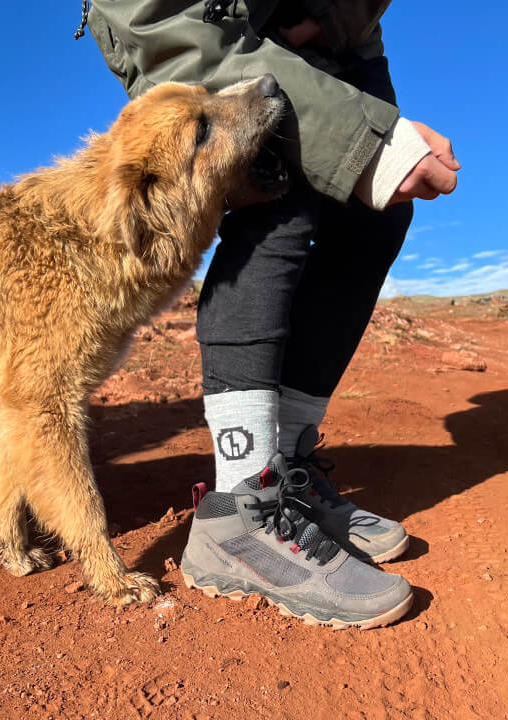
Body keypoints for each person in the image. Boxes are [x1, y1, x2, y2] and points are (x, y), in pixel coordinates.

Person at [84, 0, 459, 627]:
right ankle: (241, 508)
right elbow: (166, 27)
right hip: (202, 33)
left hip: (342, 44)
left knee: (376, 211)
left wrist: (334, 31)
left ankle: (286, 469)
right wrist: (367, 142)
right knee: (275, 193)